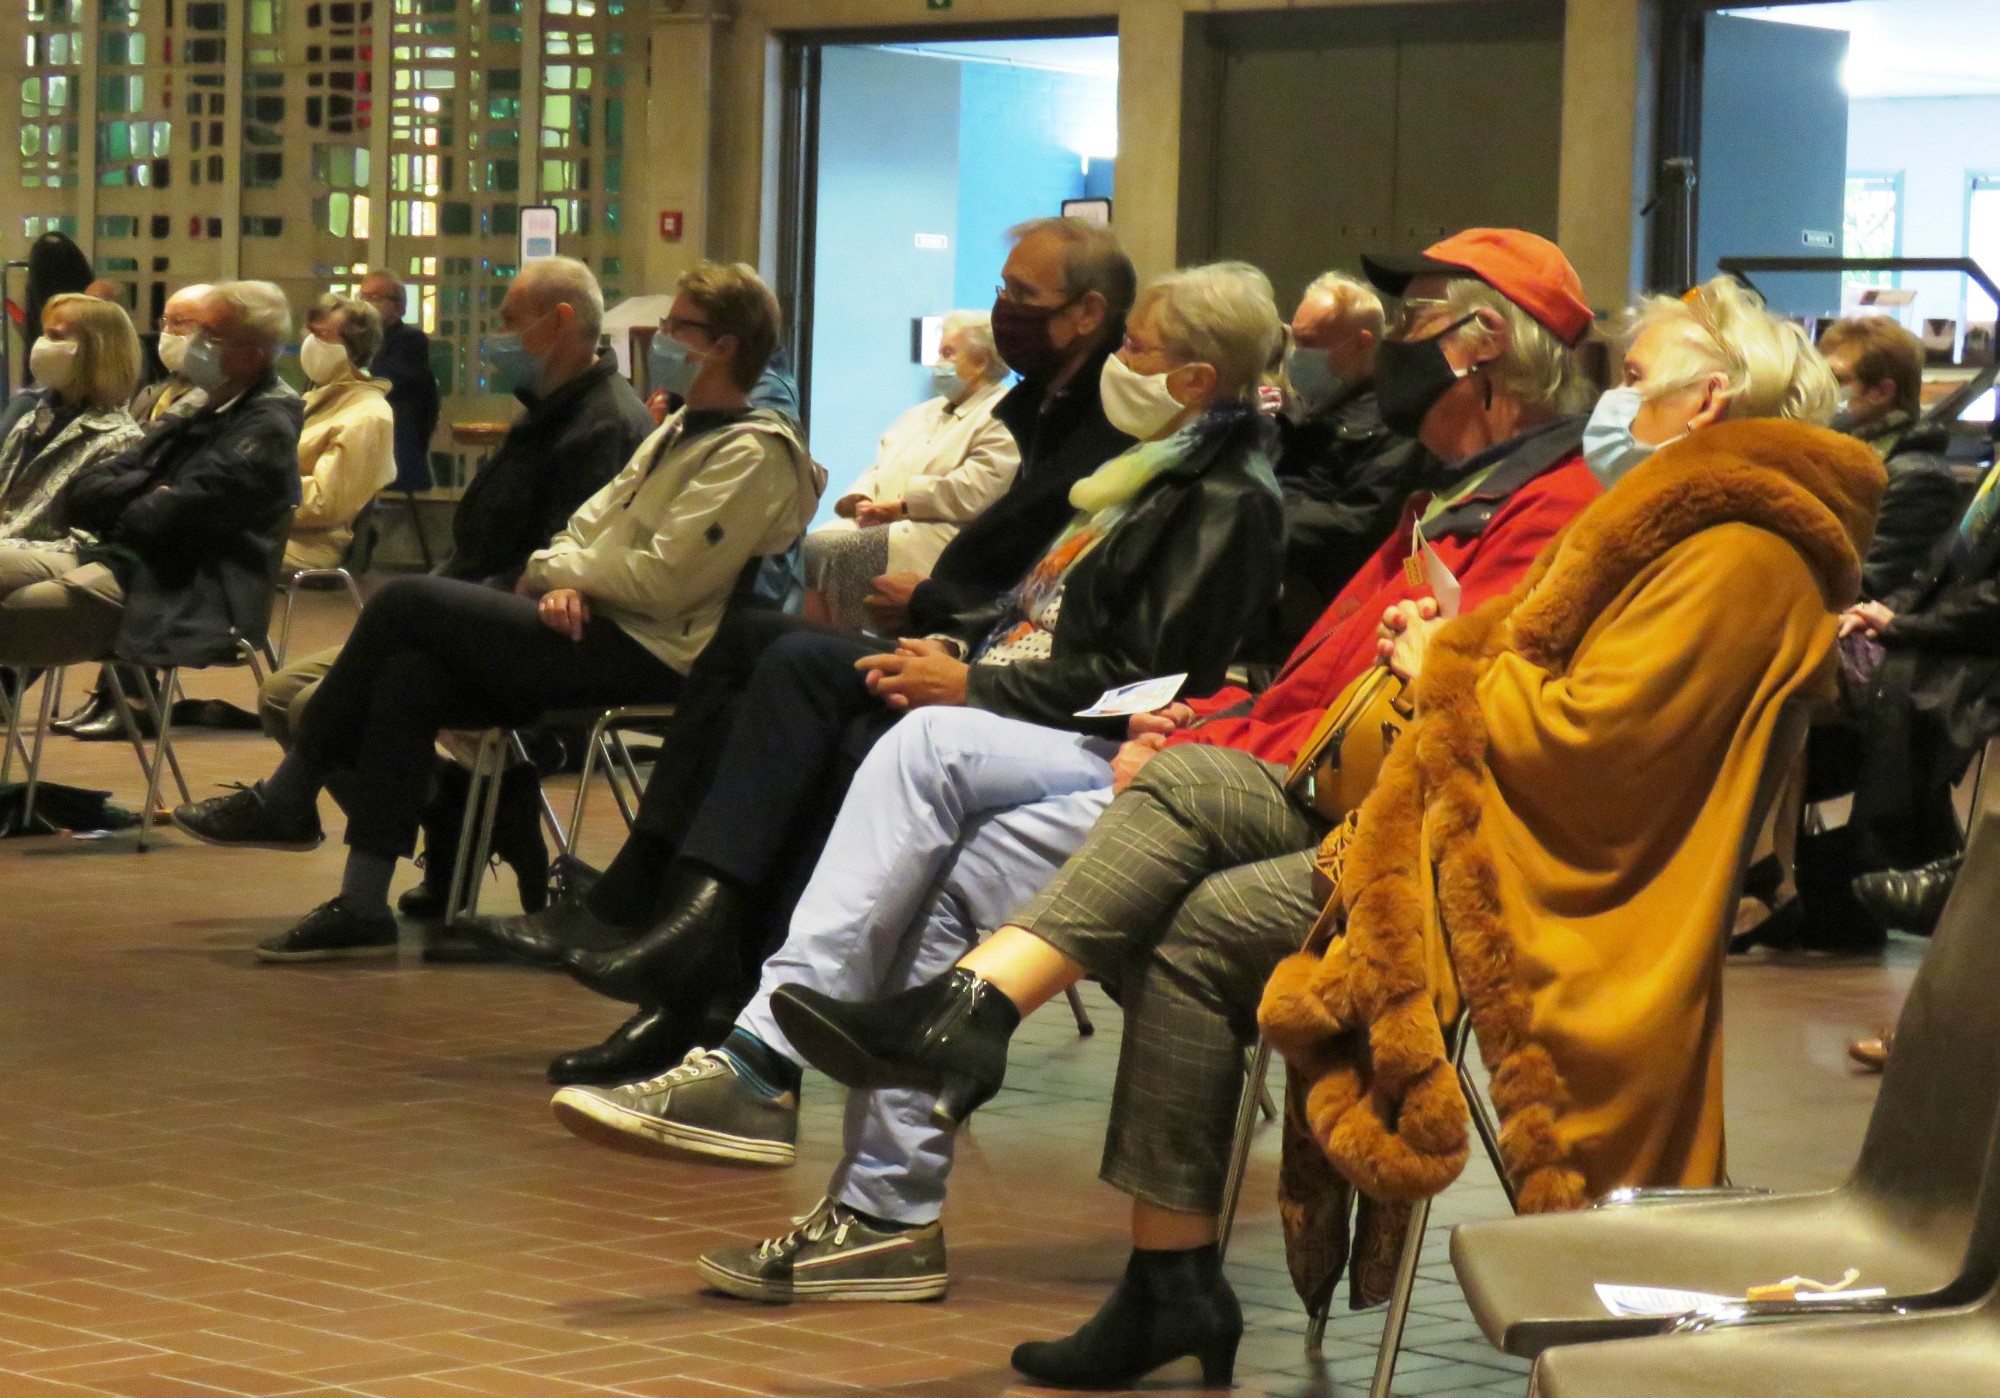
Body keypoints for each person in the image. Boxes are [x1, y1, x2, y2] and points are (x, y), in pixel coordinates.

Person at [770, 275, 1877, 1387]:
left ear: (1706, 403)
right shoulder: (1675, 525)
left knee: (1186, 904)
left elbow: (1601, 748)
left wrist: (1436, 659)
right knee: (1187, 813)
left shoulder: (1738, 548)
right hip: (1429, 812)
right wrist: (1438, 645)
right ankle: (1031, 1090)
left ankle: (1098, 1186)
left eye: (1635, 382)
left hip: (1525, 877)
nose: (1613, 402)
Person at [543, 230, 1606, 1303]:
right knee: (884, 757)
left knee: (919, 758)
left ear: (1481, 346)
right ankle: (808, 1116)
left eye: (1414, 316)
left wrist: (1122, 717)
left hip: (1259, 796)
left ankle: (791, 1088)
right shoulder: (1310, 483)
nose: (1390, 342)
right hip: (1196, 753)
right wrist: (1169, 712)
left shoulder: (1496, 508)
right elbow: (1285, 687)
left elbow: (1246, 692)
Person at [464, 218, 1140, 1070]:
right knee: (753, 646)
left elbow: (1082, 619)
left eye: (1018, 296)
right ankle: (673, 940)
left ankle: (698, 982)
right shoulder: (1047, 409)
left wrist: (948, 627)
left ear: (1087, 315)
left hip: (1012, 690)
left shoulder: (1128, 443)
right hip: (976, 649)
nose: (1001, 309)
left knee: (798, 684)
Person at [170, 260, 824, 963]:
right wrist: (560, 571)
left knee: (407, 600)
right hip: (591, 621)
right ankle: (363, 901)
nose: (659, 338)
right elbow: (584, 528)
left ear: (724, 344)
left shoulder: (753, 451)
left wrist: (561, 572)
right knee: (411, 672)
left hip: (653, 651)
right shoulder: (678, 429)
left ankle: (290, 794)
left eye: (676, 327)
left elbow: (662, 578)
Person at [0, 281, 302, 670]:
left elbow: (166, 519)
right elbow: (78, 496)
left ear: (254, 355)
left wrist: (135, 499)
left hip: (180, 587)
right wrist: (150, 489)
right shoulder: (200, 405)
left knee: (14, 615)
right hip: (118, 558)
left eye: (211, 334)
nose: (194, 341)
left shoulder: (266, 427)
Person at [803, 310, 1018, 628]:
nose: (937, 364)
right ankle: (816, 639)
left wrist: (904, 505)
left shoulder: (1002, 414)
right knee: (813, 546)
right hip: (886, 520)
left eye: (947, 353)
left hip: (943, 530)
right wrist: (860, 498)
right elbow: (882, 464)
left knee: (844, 552)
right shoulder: (922, 413)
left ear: (981, 362)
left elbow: (978, 487)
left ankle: (841, 645)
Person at [1258, 272, 1432, 657]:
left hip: (1325, 598)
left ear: (1359, 345)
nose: (1296, 356)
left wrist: (1260, 516)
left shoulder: (1396, 422)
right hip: (1273, 574)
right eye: (1294, 339)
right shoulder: (1304, 404)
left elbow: (1360, 523)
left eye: (1309, 344)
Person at [1819, 316, 1961, 599]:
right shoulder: (1846, 455)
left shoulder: (1918, 478)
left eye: (1835, 380)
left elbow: (1869, 585)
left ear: (1882, 392)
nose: (1820, 391)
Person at [0, 295, 144, 552]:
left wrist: (8, 546)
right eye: (44, 335)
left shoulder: (120, 439)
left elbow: (89, 538)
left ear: (96, 351)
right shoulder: (31, 419)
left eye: (56, 337)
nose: (42, 345)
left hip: (52, 554)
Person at [285, 293, 396, 573]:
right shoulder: (317, 398)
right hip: (271, 529)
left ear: (355, 347)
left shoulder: (368, 415)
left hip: (307, 545)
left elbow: (325, 503)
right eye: (310, 333)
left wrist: (248, 491)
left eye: (323, 335)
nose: (311, 344)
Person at [357, 272, 442, 494]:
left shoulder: (410, 341)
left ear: (399, 307)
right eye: (362, 296)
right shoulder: (356, 342)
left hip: (394, 451)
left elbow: (381, 381)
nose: (364, 305)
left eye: (374, 297)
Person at [127, 284, 216, 431]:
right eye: (164, 322)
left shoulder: (219, 401)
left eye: (178, 322)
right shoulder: (148, 395)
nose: (166, 332)